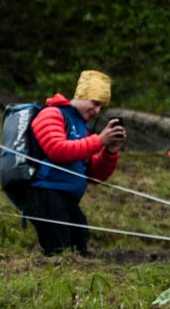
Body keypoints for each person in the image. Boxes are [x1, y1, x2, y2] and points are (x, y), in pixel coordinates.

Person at [15, 71, 126, 255]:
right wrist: (99, 141)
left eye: (102, 107)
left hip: (68, 198)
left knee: (79, 246)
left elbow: (93, 174)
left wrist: (110, 151)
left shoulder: (83, 127)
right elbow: (57, 149)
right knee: (59, 252)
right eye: (95, 103)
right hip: (45, 193)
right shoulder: (52, 114)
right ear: (82, 96)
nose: (97, 111)